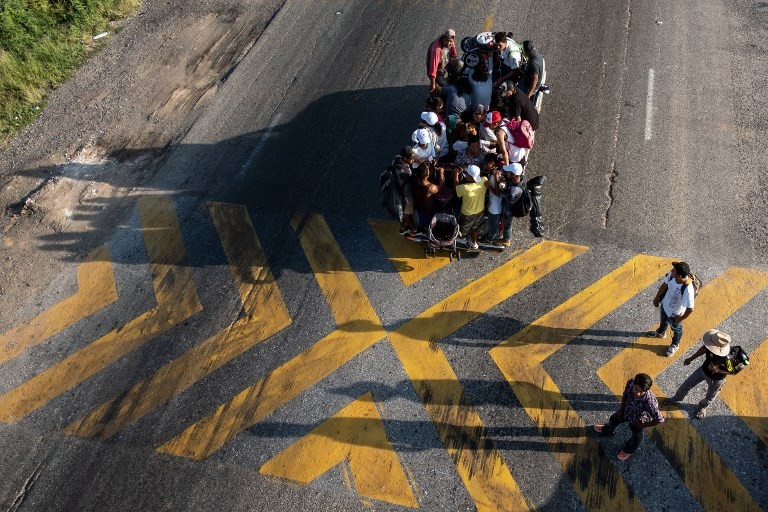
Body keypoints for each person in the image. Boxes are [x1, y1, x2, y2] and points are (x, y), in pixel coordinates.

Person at [594, 373, 665, 461]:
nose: (638, 393)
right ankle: (607, 430)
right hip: (626, 411)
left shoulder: (650, 403)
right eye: (636, 389)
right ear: (634, 384)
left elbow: (659, 419)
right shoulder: (630, 383)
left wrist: (642, 425)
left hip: (637, 420)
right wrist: (621, 411)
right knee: (613, 419)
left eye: (642, 391)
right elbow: (625, 396)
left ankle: (628, 450)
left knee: (637, 438)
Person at [664, 329, 732, 419]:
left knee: (710, 396)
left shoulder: (728, 359)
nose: (708, 345)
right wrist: (691, 358)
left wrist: (718, 370)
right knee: (687, 384)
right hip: (703, 370)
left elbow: (731, 371)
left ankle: (702, 407)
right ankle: (676, 398)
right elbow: (703, 349)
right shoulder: (710, 345)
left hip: (716, 379)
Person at [647, 261, 696, 356]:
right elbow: (664, 285)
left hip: (675, 313)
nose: (671, 271)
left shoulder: (688, 289)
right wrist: (657, 297)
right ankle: (661, 333)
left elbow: (690, 309)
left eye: (673, 271)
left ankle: (675, 344)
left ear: (679, 276)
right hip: (665, 305)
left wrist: (680, 318)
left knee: (676, 329)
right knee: (663, 320)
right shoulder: (672, 275)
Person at [486, 163, 523, 246]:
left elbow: (498, 193)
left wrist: (493, 182)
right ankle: (506, 239)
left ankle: (505, 240)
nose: (506, 173)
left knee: (507, 225)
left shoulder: (513, 191)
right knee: (507, 225)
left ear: (514, 175)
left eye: (508, 172)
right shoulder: (520, 179)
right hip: (510, 207)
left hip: (508, 211)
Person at [454, 164, 488, 249]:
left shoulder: (464, 188)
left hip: (467, 213)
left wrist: (456, 174)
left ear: (470, 177)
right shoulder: (484, 180)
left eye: (467, 174)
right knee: (476, 227)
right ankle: (474, 242)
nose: (465, 174)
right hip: (480, 211)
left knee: (463, 229)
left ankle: (462, 240)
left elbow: (456, 188)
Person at [392, 146, 418, 235]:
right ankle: (414, 230)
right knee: (406, 214)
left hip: (399, 190)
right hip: (406, 193)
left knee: (402, 211)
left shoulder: (397, 159)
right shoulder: (404, 174)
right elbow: (411, 179)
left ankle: (403, 227)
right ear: (405, 158)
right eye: (411, 158)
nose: (413, 160)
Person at [427, 29, 457, 94]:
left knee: (460, 64)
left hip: (444, 62)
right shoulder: (436, 50)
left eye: (450, 41)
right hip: (437, 70)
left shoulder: (451, 41)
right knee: (446, 87)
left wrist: (454, 64)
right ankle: (436, 84)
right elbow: (433, 68)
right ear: (443, 38)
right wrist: (432, 84)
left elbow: (454, 54)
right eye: (446, 41)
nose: (448, 43)